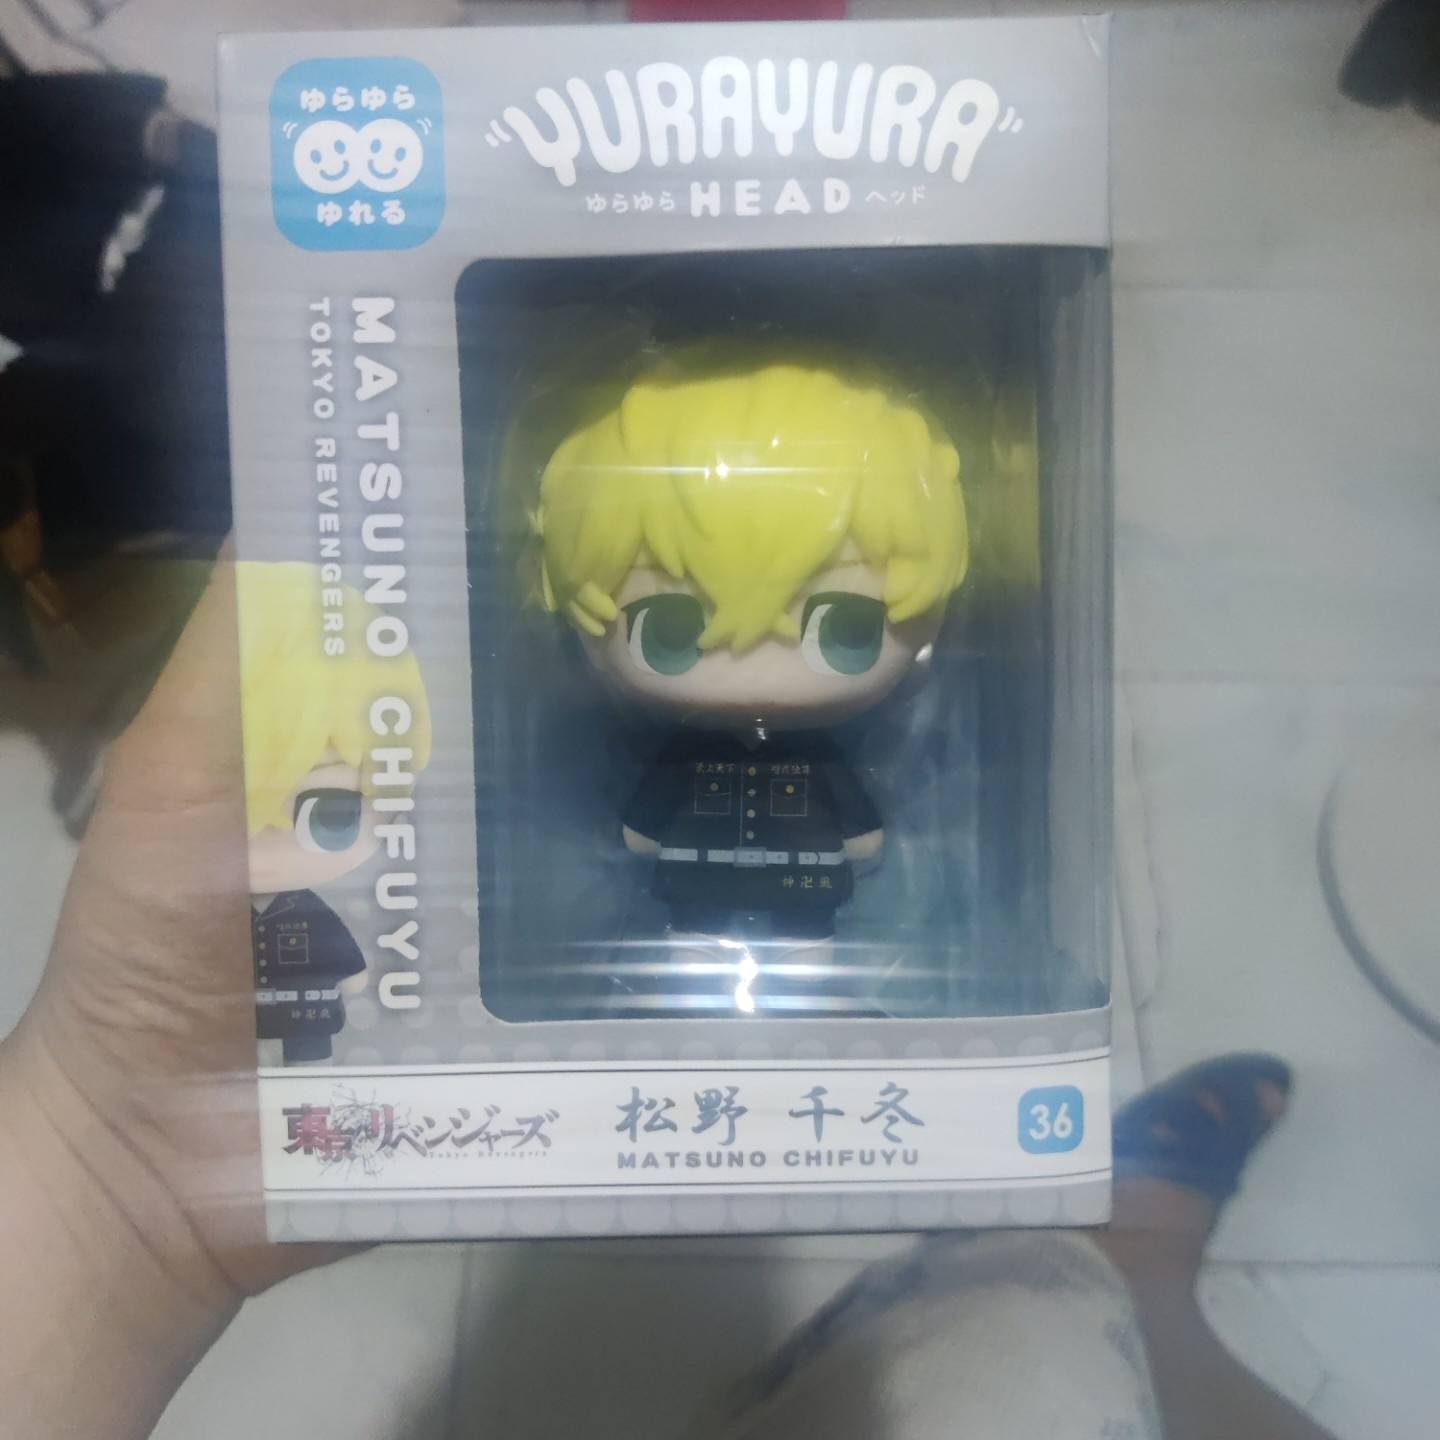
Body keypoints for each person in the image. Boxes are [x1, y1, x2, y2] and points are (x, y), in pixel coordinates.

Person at [0, 560, 1337, 1440]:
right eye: (678, 627)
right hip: (676, 932)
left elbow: (858, 830)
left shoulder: (827, 763)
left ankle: (1063, 1263)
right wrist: (109, 1157)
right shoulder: (661, 760)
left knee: (1014, 1335)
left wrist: (108, 1165)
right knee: (1030, 1354)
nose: (763, 664)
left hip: (802, 931)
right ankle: (1090, 1268)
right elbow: (645, 829)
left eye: (842, 625)